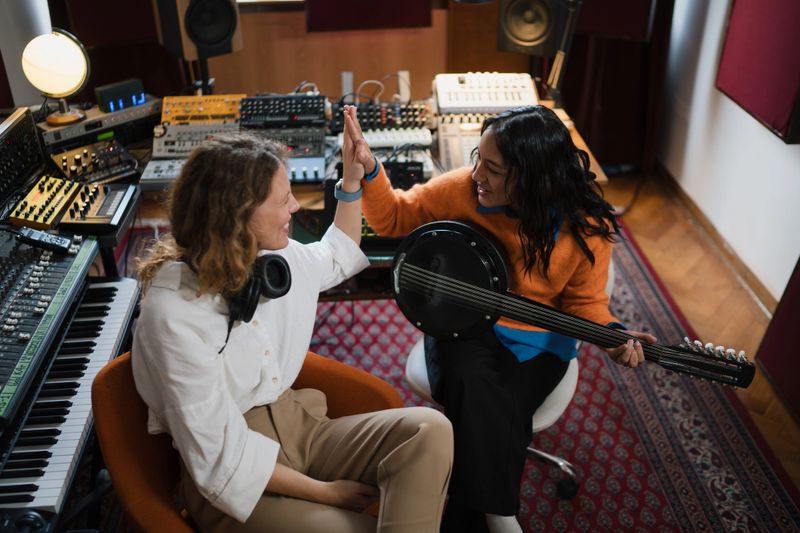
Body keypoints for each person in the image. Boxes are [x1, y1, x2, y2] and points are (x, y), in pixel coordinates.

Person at [131, 106, 453, 533]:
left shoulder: (271, 257)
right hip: (233, 476)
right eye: (283, 200)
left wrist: (352, 182)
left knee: (430, 429)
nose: (295, 206)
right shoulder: (172, 315)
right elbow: (220, 458)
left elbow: (335, 256)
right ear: (237, 217)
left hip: (299, 425)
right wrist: (325, 492)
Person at [354, 105, 657, 533]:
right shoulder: (462, 189)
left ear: (532, 177)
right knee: (473, 385)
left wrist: (612, 335)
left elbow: (585, 302)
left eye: (493, 169)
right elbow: (394, 217)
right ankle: (501, 518)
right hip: (463, 323)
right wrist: (370, 170)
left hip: (539, 341)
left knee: (493, 415)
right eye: (478, 159)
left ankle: (475, 518)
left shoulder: (584, 224)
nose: (477, 174)